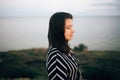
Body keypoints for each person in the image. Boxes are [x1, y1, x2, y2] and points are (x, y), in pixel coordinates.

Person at [46, 12, 82, 80]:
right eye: (68, 28)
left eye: (72, 27)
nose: (73, 31)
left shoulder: (65, 50)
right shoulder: (56, 57)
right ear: (58, 29)